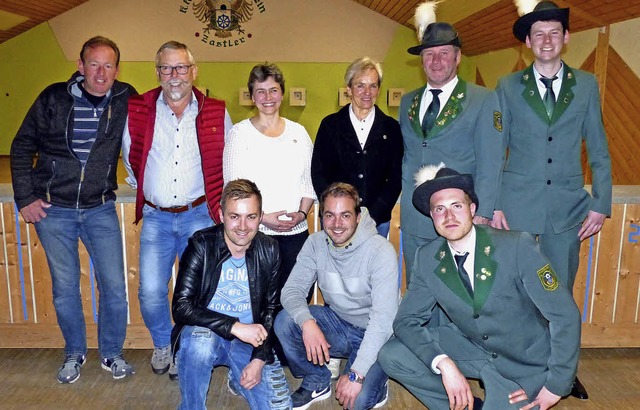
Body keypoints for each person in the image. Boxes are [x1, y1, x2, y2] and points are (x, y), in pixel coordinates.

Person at [378, 166, 582, 410]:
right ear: (431, 216)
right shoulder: (428, 257)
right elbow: (406, 320)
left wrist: (556, 385)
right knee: (392, 355)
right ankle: (462, 405)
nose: (449, 216)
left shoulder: (517, 246)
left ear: (472, 209)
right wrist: (443, 362)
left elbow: (564, 315)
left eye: (457, 206)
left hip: (523, 365)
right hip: (473, 348)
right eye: (439, 209)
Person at [491, 2, 612, 399]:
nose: (546, 40)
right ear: (528, 42)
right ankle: (521, 369)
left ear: (566, 39)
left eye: (554, 33)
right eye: (538, 33)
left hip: (567, 210)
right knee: (516, 291)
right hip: (517, 207)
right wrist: (491, 203)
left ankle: (564, 372)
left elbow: (598, 147)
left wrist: (601, 201)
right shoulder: (508, 87)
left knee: (559, 294)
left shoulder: (588, 85)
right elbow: (496, 147)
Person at [10, 36, 137, 383]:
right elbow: (22, 146)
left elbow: (153, 131)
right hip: (54, 211)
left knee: (114, 286)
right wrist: (25, 197)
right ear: (80, 67)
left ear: (117, 69)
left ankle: (111, 354)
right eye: (93, 64)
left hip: (100, 209)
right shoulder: (53, 97)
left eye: (108, 65)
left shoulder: (127, 98)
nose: (100, 72)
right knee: (66, 287)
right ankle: (74, 353)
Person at [122, 40, 233, 379]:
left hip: (198, 216)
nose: (174, 75)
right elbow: (130, 156)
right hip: (155, 217)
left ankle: (185, 346)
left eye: (181, 67)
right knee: (151, 290)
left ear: (193, 71)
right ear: (157, 72)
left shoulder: (216, 110)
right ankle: (162, 344)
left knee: (196, 291)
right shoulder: (139, 108)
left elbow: (227, 159)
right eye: (166, 68)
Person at [399, 8, 503, 283]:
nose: (436, 60)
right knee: (417, 289)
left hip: (457, 218)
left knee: (458, 292)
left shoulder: (482, 99)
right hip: (415, 218)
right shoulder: (407, 102)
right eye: (429, 54)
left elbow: (491, 161)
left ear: (457, 58)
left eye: (444, 53)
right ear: (421, 61)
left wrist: (482, 213)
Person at [274, 183, 398, 410]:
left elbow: (383, 321)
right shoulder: (315, 243)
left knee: (356, 401)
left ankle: (376, 380)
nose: (337, 224)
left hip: (378, 335)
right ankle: (317, 380)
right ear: (321, 217)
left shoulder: (380, 251)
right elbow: (291, 291)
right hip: (339, 324)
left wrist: (357, 374)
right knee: (285, 321)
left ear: (358, 217)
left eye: (345, 215)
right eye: (329, 215)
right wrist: (308, 323)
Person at [171, 179, 291, 410]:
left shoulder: (270, 249)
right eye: (235, 216)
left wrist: (259, 358)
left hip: (248, 340)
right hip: (206, 332)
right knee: (200, 344)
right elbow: (181, 307)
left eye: (251, 217)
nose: (243, 226)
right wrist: (234, 326)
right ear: (221, 215)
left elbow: (270, 310)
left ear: (260, 216)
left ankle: (238, 376)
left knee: (278, 406)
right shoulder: (201, 244)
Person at [223, 63, 316, 361]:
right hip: (256, 235)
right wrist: (263, 218)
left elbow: (309, 183)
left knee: (295, 298)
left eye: (273, 90)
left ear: (282, 93)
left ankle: (288, 353)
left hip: (296, 233)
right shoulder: (239, 134)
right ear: (251, 96)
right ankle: (261, 357)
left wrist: (302, 214)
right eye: (260, 91)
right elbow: (234, 190)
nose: (267, 97)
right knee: (262, 301)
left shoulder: (299, 133)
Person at [311, 57, 403, 238]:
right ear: (349, 89)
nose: (367, 92)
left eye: (373, 86)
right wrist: (336, 213)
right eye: (360, 85)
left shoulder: (391, 128)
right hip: (336, 222)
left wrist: (373, 216)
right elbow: (319, 172)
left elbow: (395, 178)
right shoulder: (330, 125)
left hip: (376, 222)